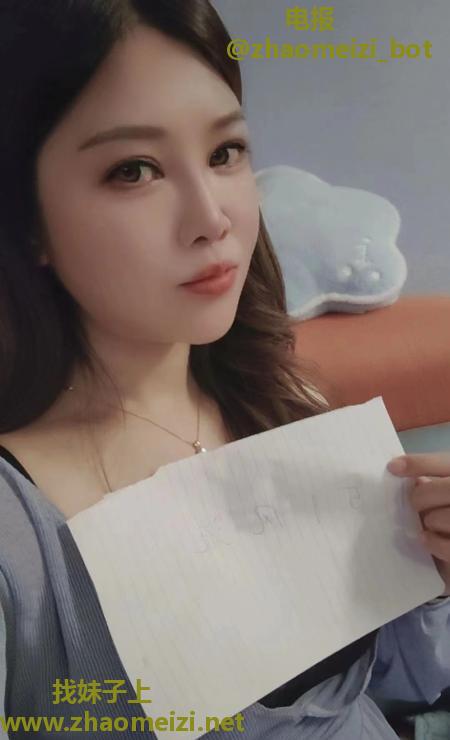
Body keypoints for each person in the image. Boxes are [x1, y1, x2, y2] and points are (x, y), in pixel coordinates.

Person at [0, 1, 449, 737]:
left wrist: (435, 575)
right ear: (27, 224)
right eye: (134, 170)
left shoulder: (283, 401)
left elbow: (392, 688)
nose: (213, 217)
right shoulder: (20, 539)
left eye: (225, 153)